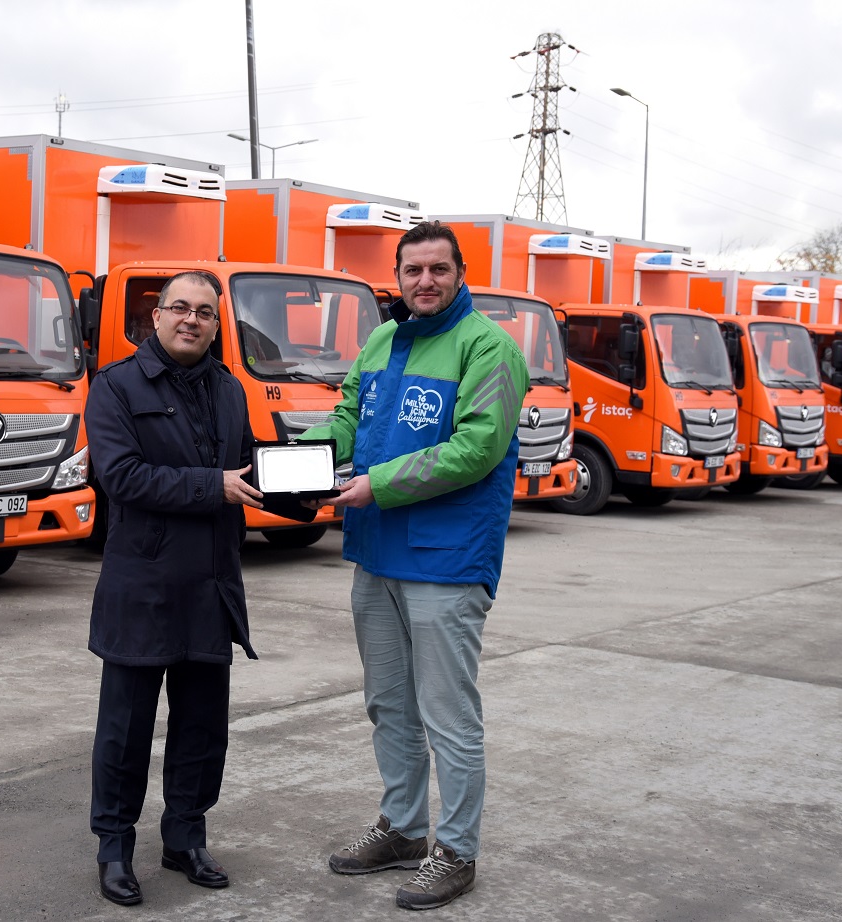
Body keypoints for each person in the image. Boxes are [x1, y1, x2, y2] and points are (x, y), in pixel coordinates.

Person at [299, 221, 525, 911]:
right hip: (376, 553)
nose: (425, 281)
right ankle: (402, 829)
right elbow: (348, 416)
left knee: (448, 714)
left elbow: (477, 449)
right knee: (389, 704)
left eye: (438, 269)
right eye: (413, 270)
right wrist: (296, 459)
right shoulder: (383, 339)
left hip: (445, 560)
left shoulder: (489, 347)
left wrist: (378, 484)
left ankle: (455, 851)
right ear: (396, 277)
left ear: (461, 274)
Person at [84, 269, 313, 907]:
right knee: (125, 730)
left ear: (217, 325)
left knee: (203, 728)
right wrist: (213, 485)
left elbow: (248, 468)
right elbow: (122, 477)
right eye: (180, 308)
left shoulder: (229, 388)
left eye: (205, 312)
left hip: (212, 584)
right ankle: (114, 847)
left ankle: (185, 837)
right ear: (155, 316)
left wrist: (309, 492)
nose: (192, 319)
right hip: (144, 586)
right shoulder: (116, 386)